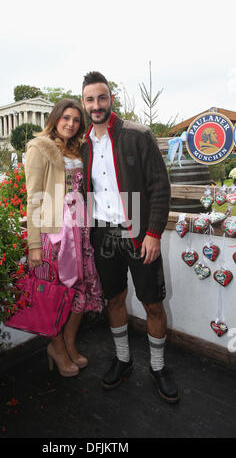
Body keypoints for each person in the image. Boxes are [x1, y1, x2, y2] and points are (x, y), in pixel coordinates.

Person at [80, 71, 180, 403]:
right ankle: (123, 359)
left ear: (111, 99)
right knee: (115, 300)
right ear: (84, 104)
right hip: (103, 234)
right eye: (90, 99)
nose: (97, 105)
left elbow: (160, 187)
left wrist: (152, 234)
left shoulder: (138, 135)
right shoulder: (83, 145)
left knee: (153, 303)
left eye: (102, 97)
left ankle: (158, 366)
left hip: (137, 229)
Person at [25, 98, 104, 378]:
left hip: (79, 229)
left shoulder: (77, 149)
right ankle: (56, 349)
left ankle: (69, 344)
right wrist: (34, 244)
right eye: (66, 118)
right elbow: (34, 198)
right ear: (56, 118)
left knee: (80, 289)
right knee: (55, 293)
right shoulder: (40, 148)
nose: (70, 124)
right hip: (53, 233)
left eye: (76, 120)